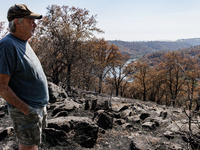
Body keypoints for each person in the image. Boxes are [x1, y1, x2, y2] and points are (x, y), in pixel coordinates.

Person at [0, 4, 49, 150]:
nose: (35, 25)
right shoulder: (7, 46)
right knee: (28, 147)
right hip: (27, 110)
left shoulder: (23, 42)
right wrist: (26, 109)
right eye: (30, 21)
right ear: (17, 22)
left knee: (32, 145)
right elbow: (2, 87)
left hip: (37, 107)